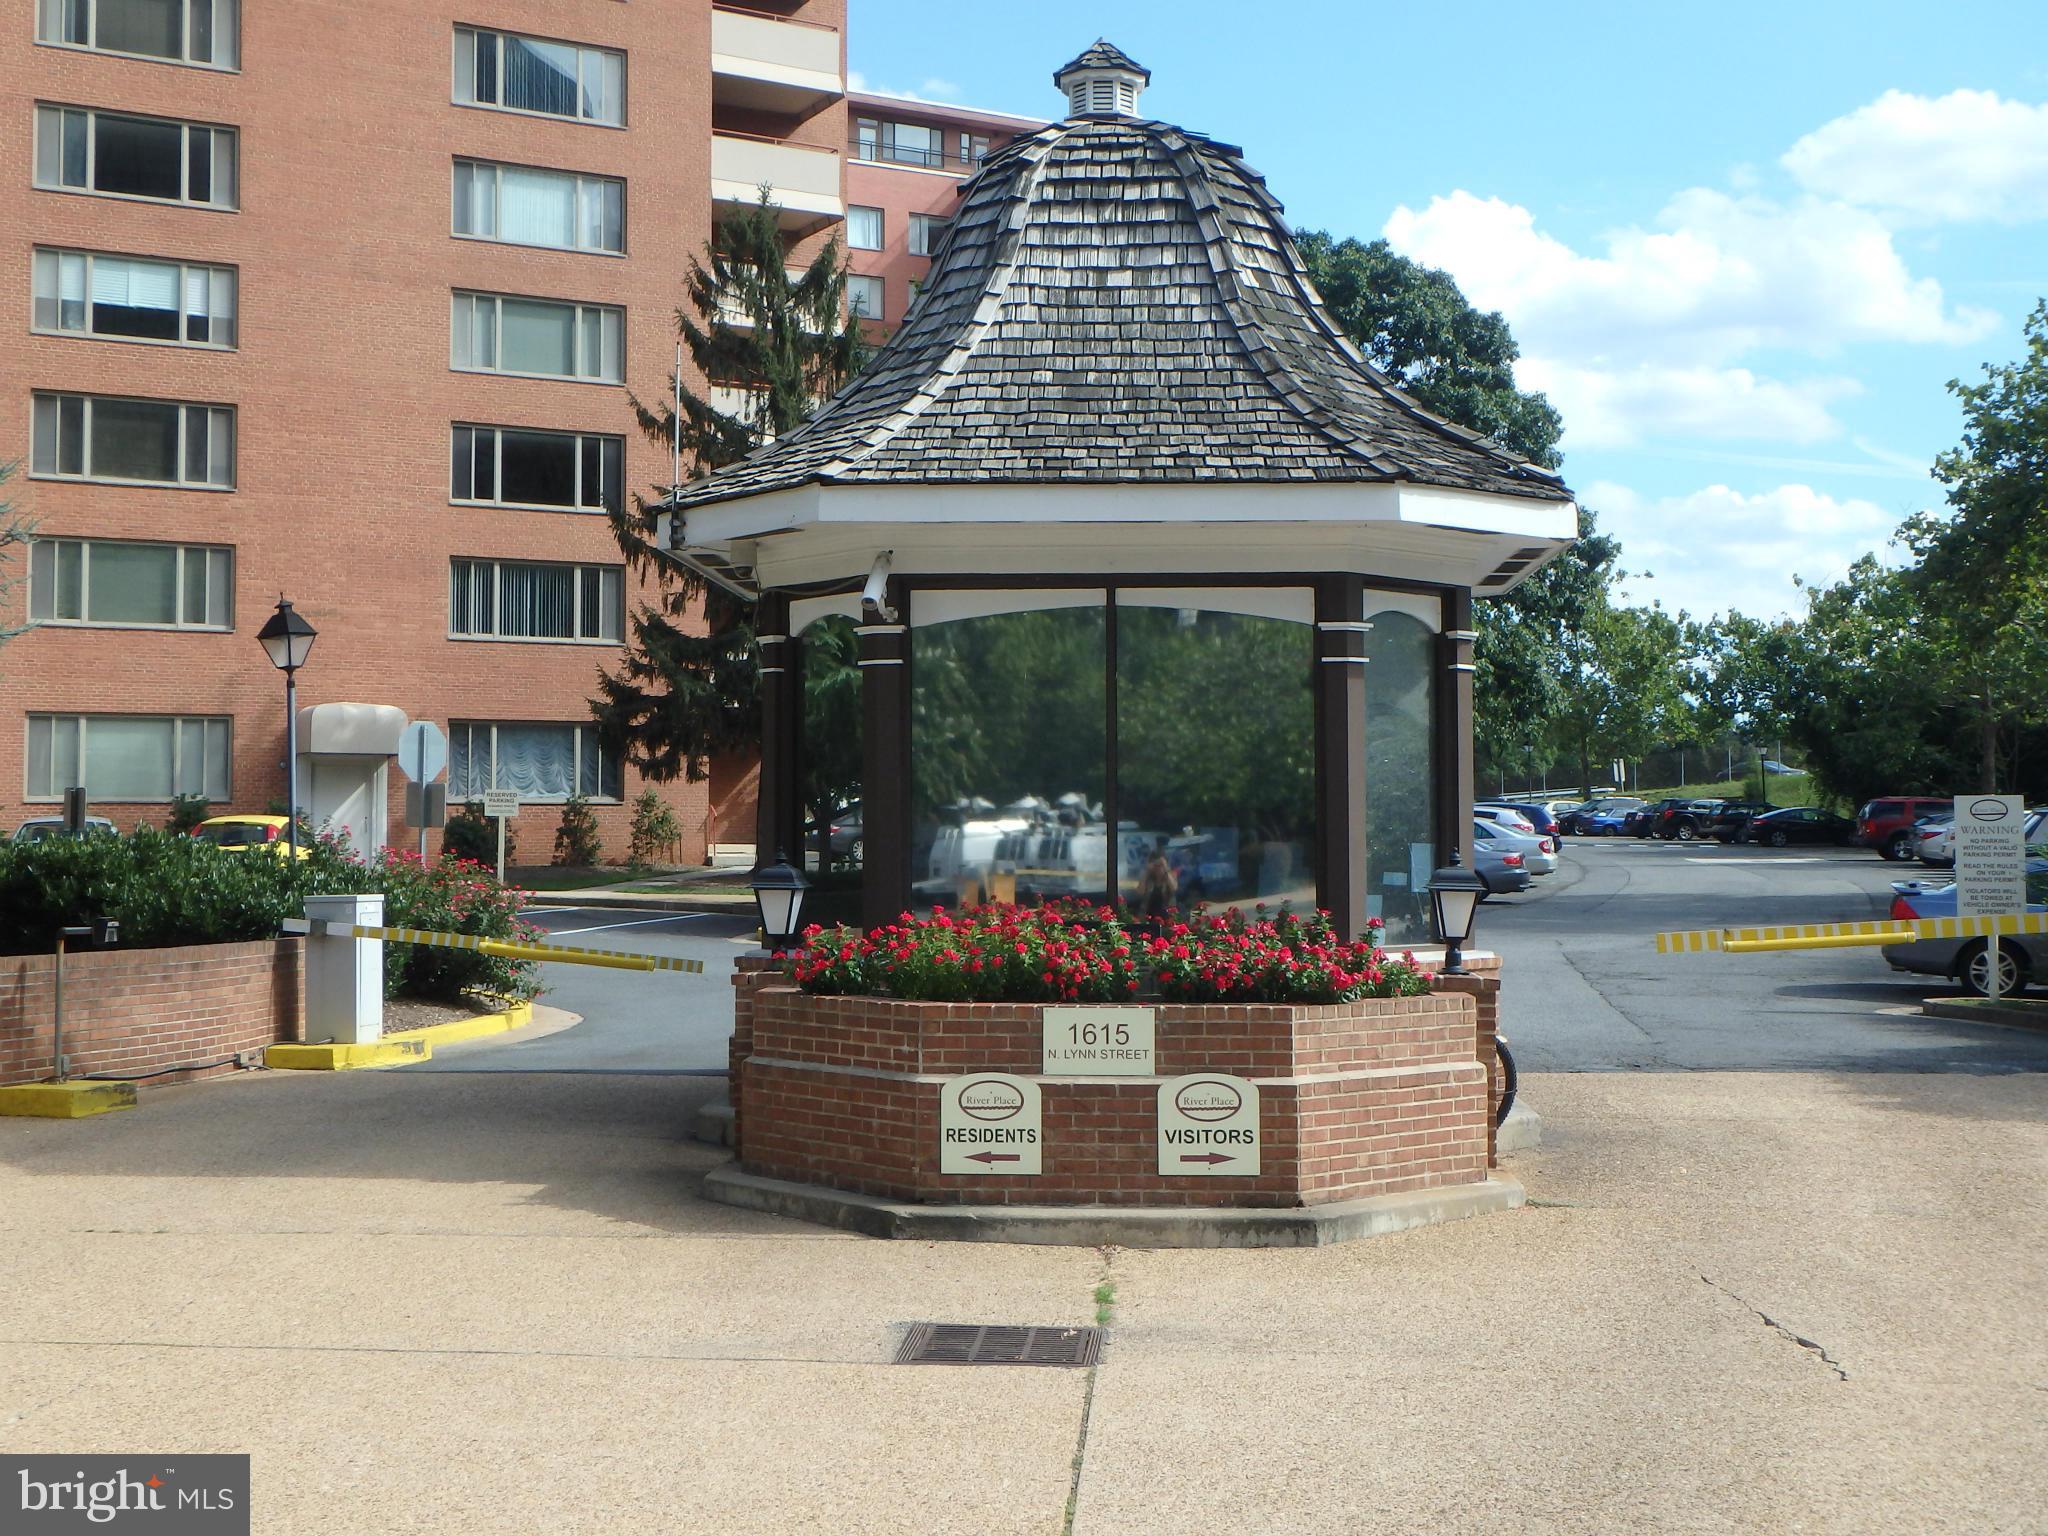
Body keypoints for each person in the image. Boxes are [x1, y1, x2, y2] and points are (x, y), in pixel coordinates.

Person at [1136, 837, 1178, 924]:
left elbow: (1173, 888)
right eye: (1156, 866)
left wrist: (1166, 870)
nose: (1158, 868)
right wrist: (1147, 871)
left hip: (1167, 915)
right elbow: (1140, 891)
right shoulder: (1147, 877)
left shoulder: (1170, 875)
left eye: (1160, 865)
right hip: (1148, 915)